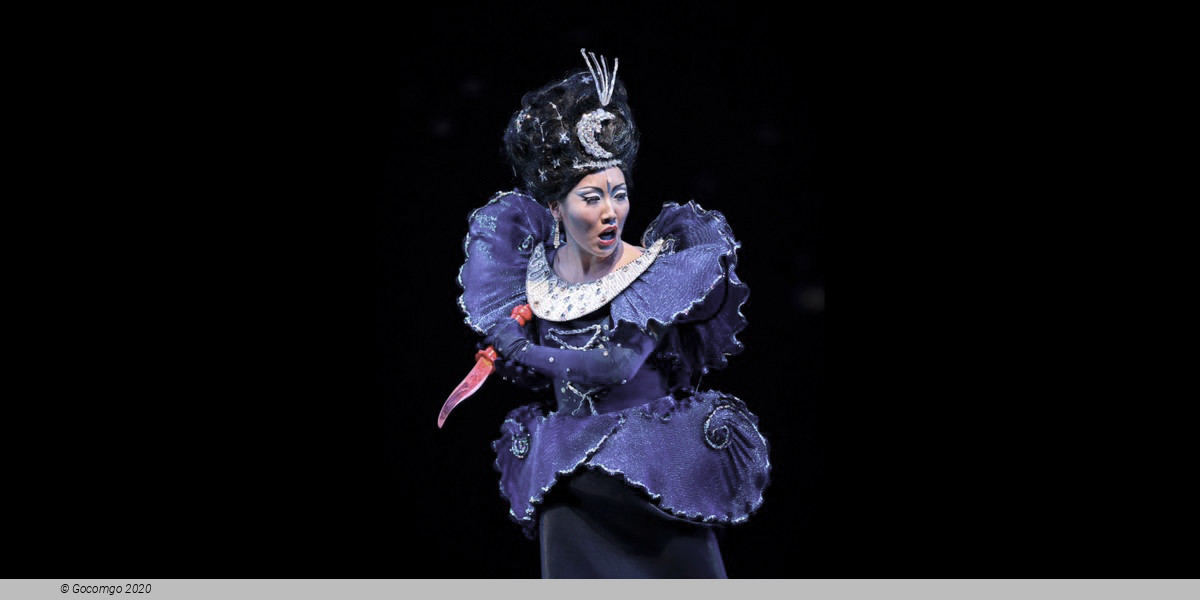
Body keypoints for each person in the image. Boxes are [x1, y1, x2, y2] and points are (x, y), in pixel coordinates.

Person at [455, 49, 770, 578]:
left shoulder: (653, 271)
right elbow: (547, 375)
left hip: (652, 473)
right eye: (591, 197)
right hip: (572, 478)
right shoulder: (532, 272)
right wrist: (511, 360)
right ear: (556, 208)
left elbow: (617, 366)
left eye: (618, 195)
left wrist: (525, 350)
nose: (610, 212)